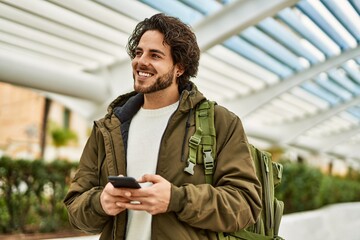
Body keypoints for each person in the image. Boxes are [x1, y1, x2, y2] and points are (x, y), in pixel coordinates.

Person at [63, 13, 261, 240]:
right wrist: (100, 202)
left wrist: (176, 199)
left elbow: (245, 205)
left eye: (155, 55)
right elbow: (75, 207)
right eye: (138, 53)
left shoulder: (221, 122)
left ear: (180, 67)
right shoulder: (109, 127)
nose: (141, 61)